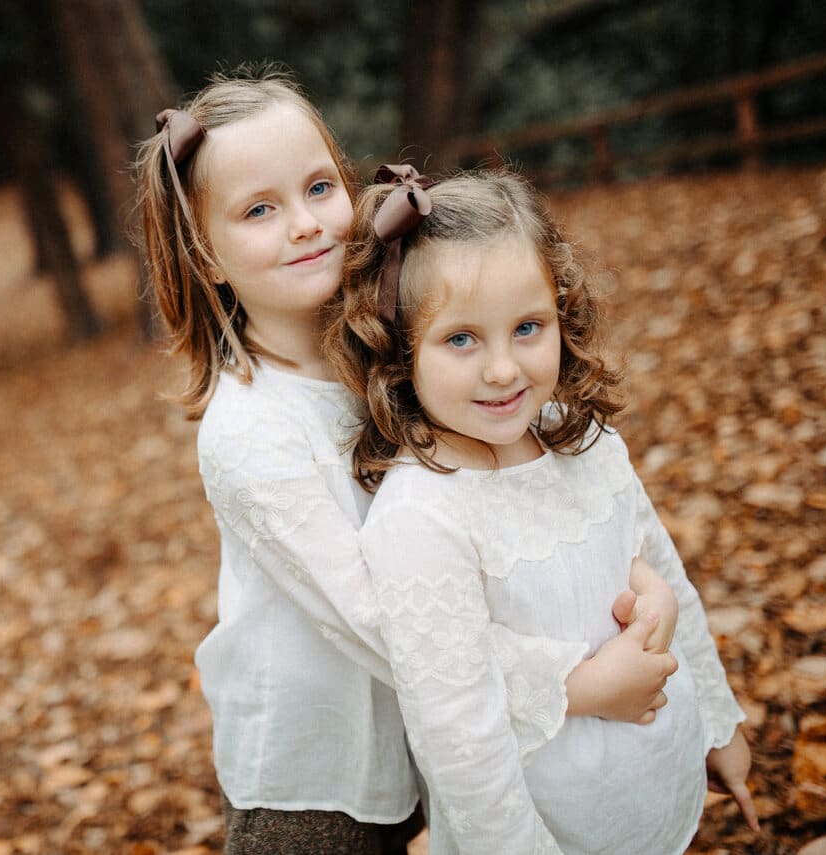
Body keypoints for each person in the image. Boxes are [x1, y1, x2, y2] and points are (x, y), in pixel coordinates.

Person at [135, 67, 681, 855]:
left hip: (434, 731)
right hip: (319, 782)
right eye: (259, 209)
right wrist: (579, 682)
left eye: (319, 186)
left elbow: (507, 498)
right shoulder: (250, 433)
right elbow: (382, 623)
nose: (305, 223)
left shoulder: (387, 352)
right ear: (207, 254)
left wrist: (637, 577)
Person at [324, 165, 758, 854]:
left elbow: (666, 575)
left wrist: (717, 723)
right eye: (461, 338)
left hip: (654, 782)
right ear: (402, 349)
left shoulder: (584, 439)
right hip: (548, 828)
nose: (503, 369)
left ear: (562, 313)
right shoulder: (421, 514)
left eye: (527, 326)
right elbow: (462, 745)